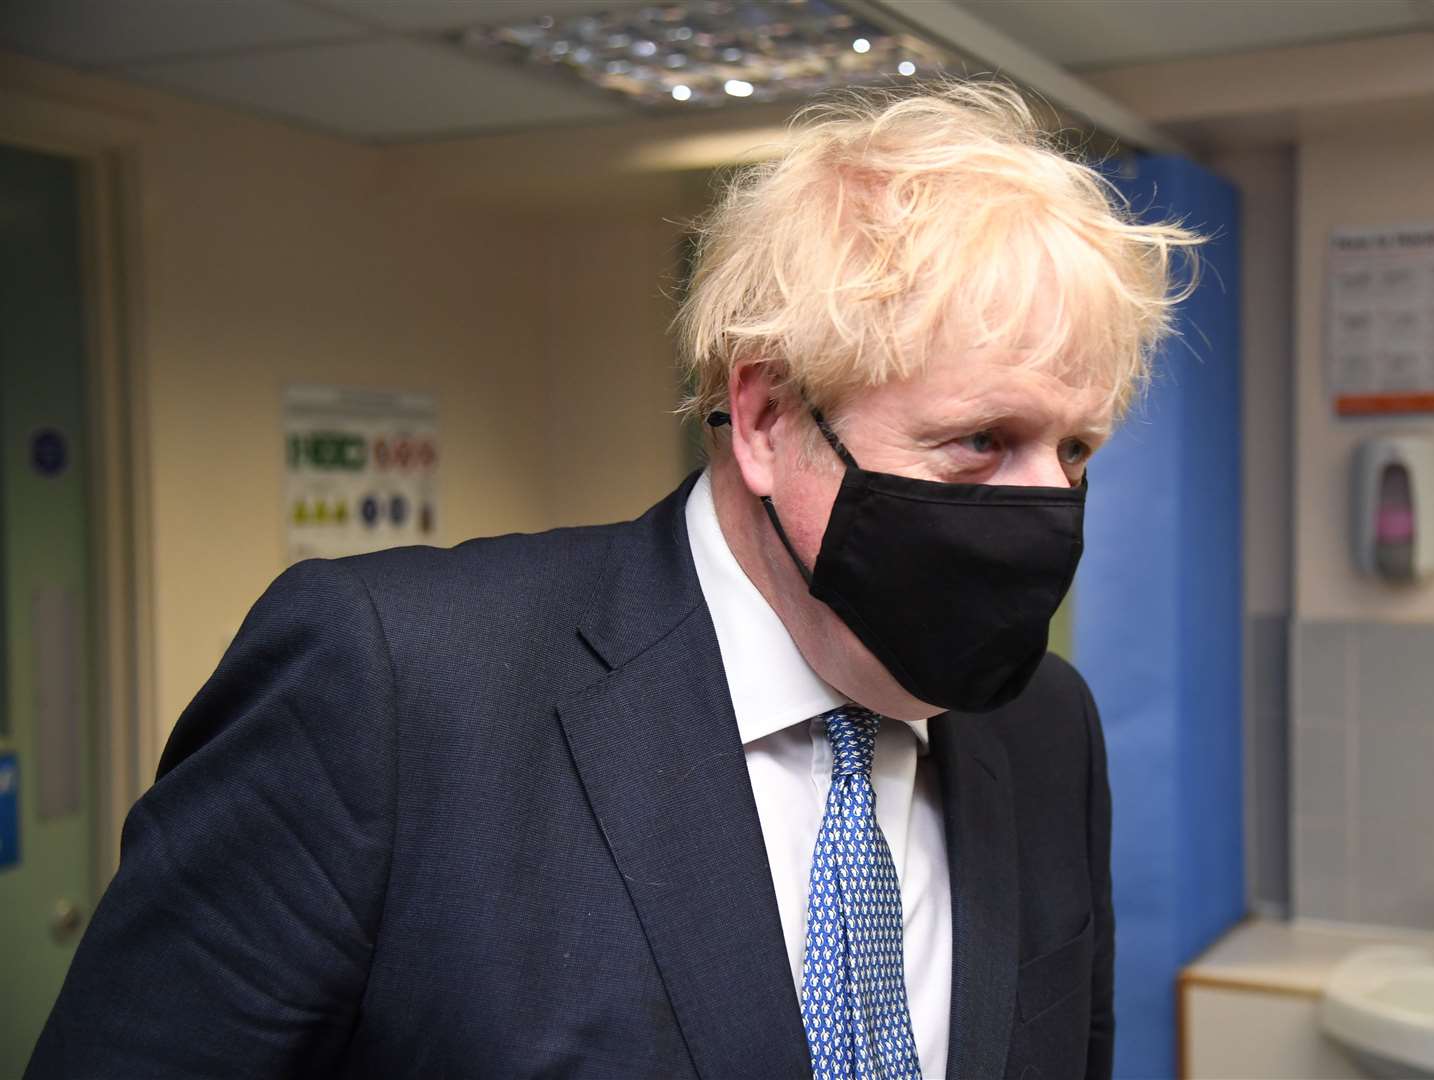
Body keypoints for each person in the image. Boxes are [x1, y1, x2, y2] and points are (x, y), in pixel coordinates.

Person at [27, 81, 1197, 1080]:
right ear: (765, 415)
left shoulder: (1044, 730)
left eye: (1076, 449)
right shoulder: (391, 690)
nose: (1048, 503)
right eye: (980, 440)